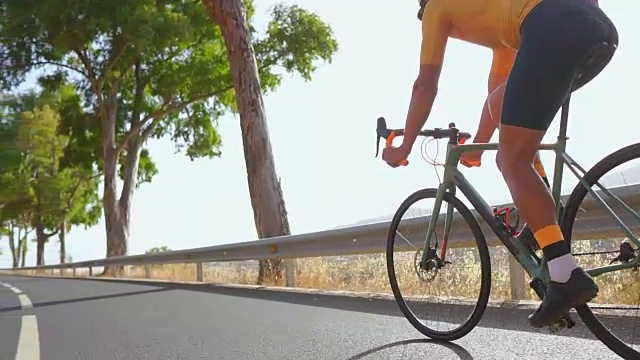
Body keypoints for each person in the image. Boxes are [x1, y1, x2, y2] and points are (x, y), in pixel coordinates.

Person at [381, 0, 618, 328]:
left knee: (510, 161)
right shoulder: (500, 19)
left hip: (553, 27)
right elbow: (502, 97)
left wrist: (403, 146)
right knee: (507, 117)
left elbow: (425, 85)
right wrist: (476, 145)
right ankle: (541, 211)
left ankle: (564, 275)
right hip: (597, 28)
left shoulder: (437, 6)